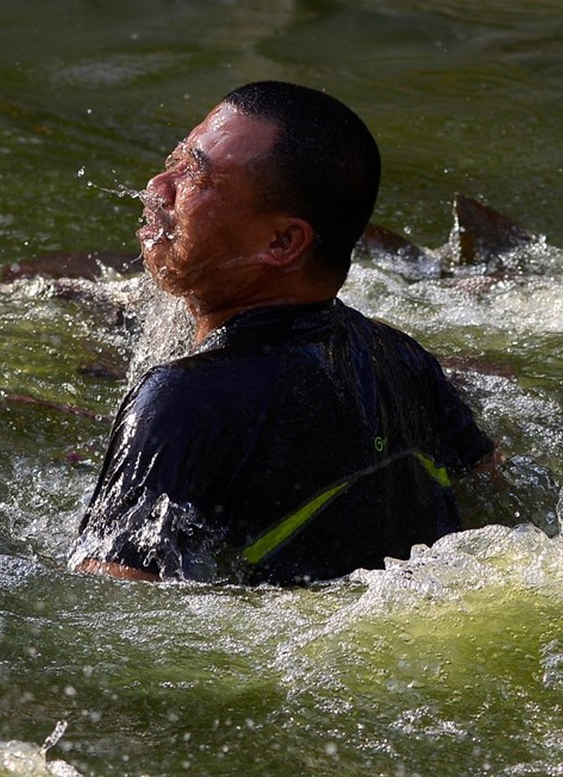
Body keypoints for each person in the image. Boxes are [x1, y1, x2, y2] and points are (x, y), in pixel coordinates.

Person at [69, 81, 494, 585]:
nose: (158, 188)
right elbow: (493, 497)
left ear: (284, 242)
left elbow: (110, 602)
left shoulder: (180, 403)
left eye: (195, 176)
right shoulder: (404, 361)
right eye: (176, 160)